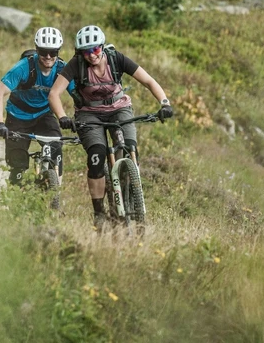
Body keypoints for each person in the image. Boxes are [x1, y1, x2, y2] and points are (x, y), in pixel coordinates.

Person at [48, 25, 174, 229]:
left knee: (130, 146)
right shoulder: (76, 64)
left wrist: (164, 103)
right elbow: (54, 94)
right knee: (96, 157)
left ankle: (132, 192)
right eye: (86, 51)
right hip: (89, 114)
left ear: (102, 47)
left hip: (119, 108)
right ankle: (99, 212)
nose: (92, 55)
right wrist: (62, 116)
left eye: (96, 49)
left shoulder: (116, 58)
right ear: (81, 52)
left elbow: (149, 81)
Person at [0, 27, 70, 186]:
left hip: (44, 115)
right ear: (36, 49)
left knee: (56, 149)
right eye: (43, 51)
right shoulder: (23, 68)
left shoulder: (62, 69)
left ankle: (55, 195)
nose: (48, 57)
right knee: (17, 165)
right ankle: (15, 202)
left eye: (53, 52)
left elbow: (78, 93)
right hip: (18, 116)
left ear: (58, 51)